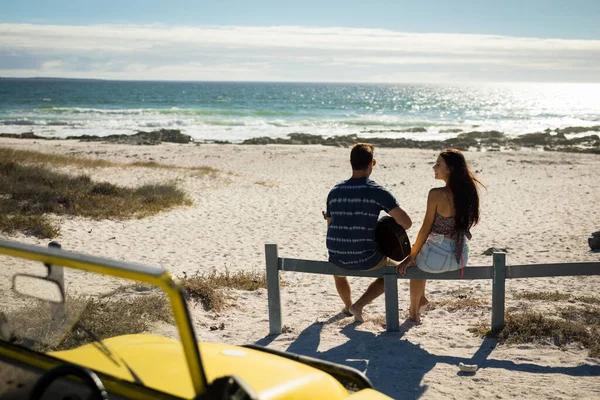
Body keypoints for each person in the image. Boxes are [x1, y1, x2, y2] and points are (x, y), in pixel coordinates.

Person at [325, 143, 412, 322]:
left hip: (337, 256)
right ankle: (358, 305)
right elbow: (406, 222)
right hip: (367, 258)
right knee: (393, 271)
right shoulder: (377, 192)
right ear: (372, 163)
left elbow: (330, 222)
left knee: (338, 272)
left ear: (351, 163)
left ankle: (347, 305)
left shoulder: (335, 191)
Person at [397, 148, 485, 323]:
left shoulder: (436, 194)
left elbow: (425, 229)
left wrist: (410, 257)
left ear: (450, 169)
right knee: (423, 254)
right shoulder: (469, 192)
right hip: (460, 257)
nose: (434, 167)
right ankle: (421, 299)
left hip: (435, 261)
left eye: (438, 164)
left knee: (414, 265)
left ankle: (414, 313)